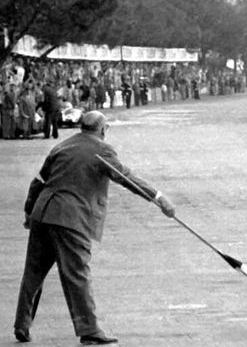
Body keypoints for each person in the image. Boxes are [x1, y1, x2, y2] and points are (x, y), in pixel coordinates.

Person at [14, 111, 176, 345]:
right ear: (102, 129)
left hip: (43, 213)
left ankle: (21, 325)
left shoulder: (62, 146)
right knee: (77, 273)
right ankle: (89, 331)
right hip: (71, 218)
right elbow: (127, 178)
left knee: (33, 273)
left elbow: (37, 182)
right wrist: (159, 198)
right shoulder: (102, 150)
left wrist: (29, 212)